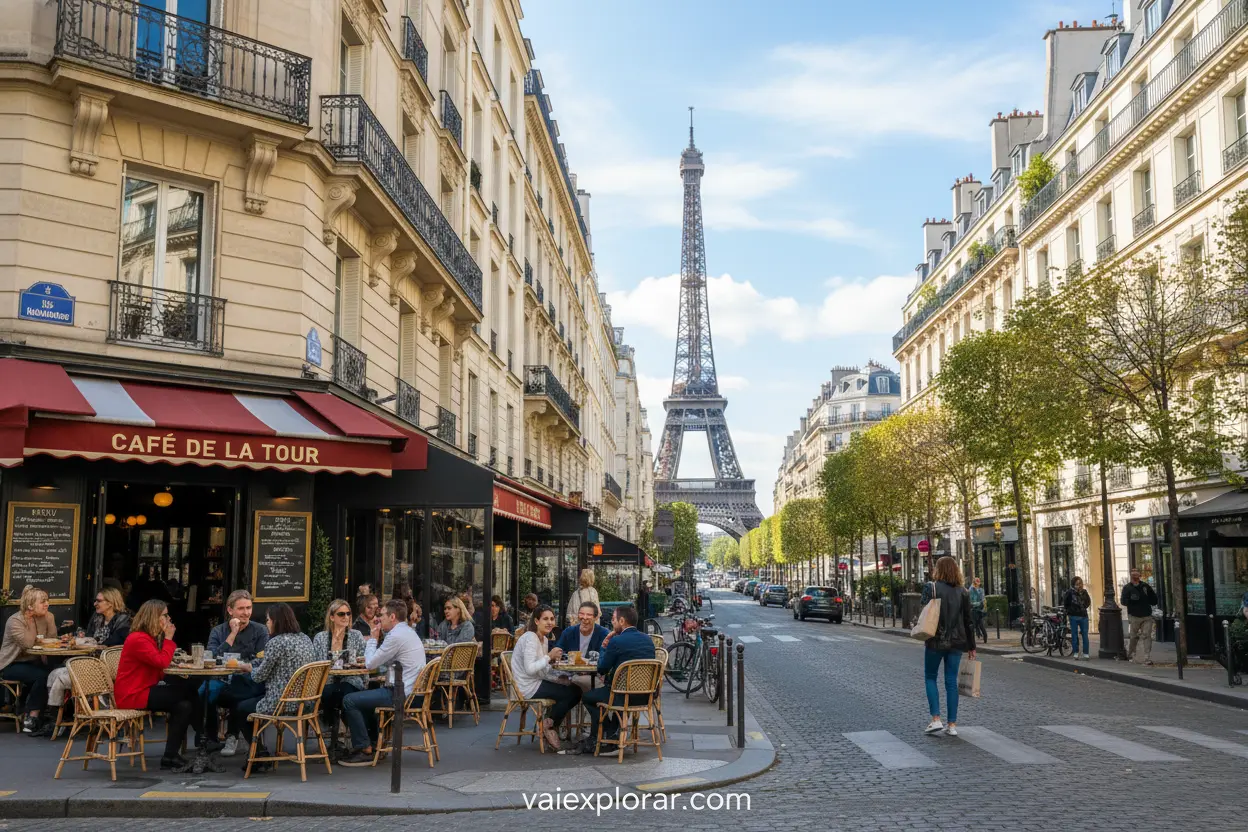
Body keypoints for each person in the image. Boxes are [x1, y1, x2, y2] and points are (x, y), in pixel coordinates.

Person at [114, 600, 205, 769]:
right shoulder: (138, 639)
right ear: (153, 617)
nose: (169, 618)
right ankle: (204, 737)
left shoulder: (149, 638)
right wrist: (169, 639)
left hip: (145, 689)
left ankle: (170, 756)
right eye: (165, 615)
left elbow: (158, 667)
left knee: (184, 706)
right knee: (189, 690)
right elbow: (162, 662)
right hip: (133, 694)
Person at [338, 599, 427, 766]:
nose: (379, 618)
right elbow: (384, 660)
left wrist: (373, 638)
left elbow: (371, 663)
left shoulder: (396, 636)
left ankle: (364, 749)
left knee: (349, 699)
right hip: (413, 692)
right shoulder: (406, 632)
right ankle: (372, 743)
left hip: (401, 694)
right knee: (362, 699)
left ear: (392, 616)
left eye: (382, 615)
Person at [228, 603, 315, 770]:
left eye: (268, 620)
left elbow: (260, 676)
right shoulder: (305, 638)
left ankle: (258, 752)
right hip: (306, 702)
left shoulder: (276, 643)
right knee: (249, 702)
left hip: (281, 702)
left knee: (241, 708)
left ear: (276, 621)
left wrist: (249, 668)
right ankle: (258, 753)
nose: (267, 623)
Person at [574, 604, 655, 755]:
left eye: (614, 620)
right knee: (609, 693)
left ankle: (610, 731)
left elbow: (602, 668)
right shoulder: (648, 640)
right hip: (645, 696)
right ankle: (613, 733)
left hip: (620, 695)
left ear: (622, 621)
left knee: (588, 697)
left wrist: (604, 646)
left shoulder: (616, 642)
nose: (612, 623)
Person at [46, 587, 132, 726]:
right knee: (54, 674)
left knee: (62, 678)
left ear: (110, 603)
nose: (95, 604)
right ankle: (58, 716)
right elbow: (90, 637)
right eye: (95, 601)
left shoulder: (124, 622)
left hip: (106, 668)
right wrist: (82, 638)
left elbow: (112, 646)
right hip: (89, 662)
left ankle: (57, 721)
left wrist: (90, 644)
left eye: (98, 601)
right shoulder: (97, 618)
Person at [205, 590, 269, 755]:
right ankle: (209, 739)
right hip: (221, 679)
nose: (246, 613)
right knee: (204, 691)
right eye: (241, 608)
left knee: (237, 690)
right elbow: (212, 658)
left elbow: (263, 659)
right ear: (230, 610)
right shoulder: (219, 631)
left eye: (249, 608)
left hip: (249, 680)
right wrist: (232, 634)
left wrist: (244, 665)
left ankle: (232, 735)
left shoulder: (260, 630)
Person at [510, 605, 581, 751]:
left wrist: (556, 673)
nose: (549, 622)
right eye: (545, 619)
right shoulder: (530, 638)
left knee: (573, 688)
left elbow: (541, 671)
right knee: (572, 693)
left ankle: (549, 725)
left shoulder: (543, 639)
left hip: (536, 681)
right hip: (527, 686)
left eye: (552, 619)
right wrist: (549, 657)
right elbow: (530, 669)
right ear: (536, 621)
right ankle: (549, 726)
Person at [919, 556, 976, 737]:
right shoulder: (963, 591)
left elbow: (923, 609)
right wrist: (972, 646)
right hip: (957, 642)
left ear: (938, 569)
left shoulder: (931, 587)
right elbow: (969, 621)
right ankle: (952, 725)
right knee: (951, 682)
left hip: (935, 639)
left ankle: (936, 719)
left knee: (930, 677)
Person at [0, 585, 58, 734]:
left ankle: (53, 716)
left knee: (56, 672)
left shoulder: (47, 616)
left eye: (47, 601)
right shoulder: (16, 621)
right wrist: (30, 620)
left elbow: (52, 640)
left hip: (34, 662)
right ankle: (32, 717)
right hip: (12, 664)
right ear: (30, 606)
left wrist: (49, 619)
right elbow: (27, 643)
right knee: (43, 676)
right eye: (43, 601)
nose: (47, 604)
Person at [312, 598, 368, 734]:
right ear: (332, 617)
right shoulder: (321, 637)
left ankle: (337, 730)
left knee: (345, 692)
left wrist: (359, 668)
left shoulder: (356, 635)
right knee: (329, 693)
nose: (346, 617)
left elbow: (365, 660)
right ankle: (338, 731)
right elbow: (316, 663)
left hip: (351, 681)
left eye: (348, 614)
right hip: (327, 682)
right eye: (341, 614)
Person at [554, 602, 608, 694]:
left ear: (595, 617)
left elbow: (604, 659)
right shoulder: (569, 632)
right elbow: (558, 652)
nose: (584, 618)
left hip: (593, 675)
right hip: (570, 673)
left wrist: (586, 668)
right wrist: (574, 659)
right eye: (581, 614)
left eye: (589, 615)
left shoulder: (603, 634)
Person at [1121, 569, 1159, 666]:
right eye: (1133, 575)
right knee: (1134, 637)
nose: (1135, 577)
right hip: (1134, 616)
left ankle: (1146, 657)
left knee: (1146, 636)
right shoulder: (1127, 588)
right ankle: (1131, 654)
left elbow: (1154, 600)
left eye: (1136, 575)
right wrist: (1131, 600)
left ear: (1139, 575)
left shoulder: (1145, 586)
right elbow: (1123, 601)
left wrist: (1148, 597)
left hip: (1146, 615)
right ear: (1131, 576)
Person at [1062, 577, 1093, 660]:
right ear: (1073, 585)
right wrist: (1070, 612)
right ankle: (1076, 652)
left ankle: (1086, 653)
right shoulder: (1069, 593)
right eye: (1077, 584)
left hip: (1083, 616)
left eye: (1080, 584)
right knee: (1074, 635)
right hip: (1073, 617)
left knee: (1085, 635)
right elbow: (1066, 604)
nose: (1079, 586)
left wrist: (1083, 608)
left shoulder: (1084, 592)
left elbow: (1088, 602)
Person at [968, 577, 987, 644]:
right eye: (976, 582)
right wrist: (978, 603)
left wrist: (979, 604)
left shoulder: (981, 590)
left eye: (978, 582)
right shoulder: (971, 590)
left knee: (980, 625)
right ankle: (973, 641)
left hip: (979, 611)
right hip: (973, 610)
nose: (977, 584)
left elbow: (983, 600)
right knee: (973, 626)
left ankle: (984, 637)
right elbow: (971, 602)